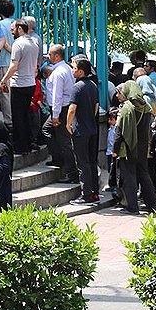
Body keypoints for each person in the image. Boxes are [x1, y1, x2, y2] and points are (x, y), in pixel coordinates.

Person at [114, 81, 156, 214]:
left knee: (129, 178)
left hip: (128, 148)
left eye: (119, 93)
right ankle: (152, 205)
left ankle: (132, 207)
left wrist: (115, 150)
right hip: (142, 146)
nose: (117, 96)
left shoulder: (127, 108)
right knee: (144, 175)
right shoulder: (146, 107)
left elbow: (120, 131)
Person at [0, 18, 40, 153]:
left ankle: (20, 146)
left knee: (17, 116)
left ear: (19, 29)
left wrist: (4, 80)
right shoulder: (34, 42)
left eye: (13, 29)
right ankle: (28, 143)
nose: (12, 32)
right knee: (25, 114)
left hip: (19, 83)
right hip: (30, 83)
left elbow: (14, 66)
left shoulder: (18, 43)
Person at [68, 58, 100, 205]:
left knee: (82, 163)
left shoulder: (77, 87)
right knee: (92, 161)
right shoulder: (93, 85)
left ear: (81, 71)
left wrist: (68, 124)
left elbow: (72, 108)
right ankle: (94, 192)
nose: (72, 70)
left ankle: (86, 194)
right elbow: (96, 107)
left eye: (74, 68)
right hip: (92, 128)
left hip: (80, 130)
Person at [46, 44, 78, 183]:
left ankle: (72, 174)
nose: (48, 57)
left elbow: (57, 96)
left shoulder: (59, 72)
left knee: (64, 142)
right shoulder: (67, 69)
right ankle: (58, 159)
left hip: (61, 109)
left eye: (50, 54)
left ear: (57, 56)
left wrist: (55, 116)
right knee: (47, 130)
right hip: (63, 107)